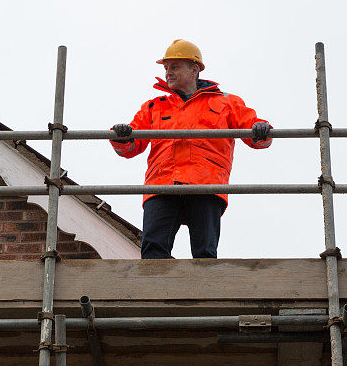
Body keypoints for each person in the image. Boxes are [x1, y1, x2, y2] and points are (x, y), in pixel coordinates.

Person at [110, 39, 272, 259]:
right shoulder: (154, 106)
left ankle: (203, 294)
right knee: (153, 252)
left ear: (194, 69)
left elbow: (255, 135)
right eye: (167, 68)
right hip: (162, 185)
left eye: (175, 67)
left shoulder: (226, 103)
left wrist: (262, 129)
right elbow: (130, 147)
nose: (168, 73)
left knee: (205, 254)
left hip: (205, 185)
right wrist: (120, 136)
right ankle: (157, 294)